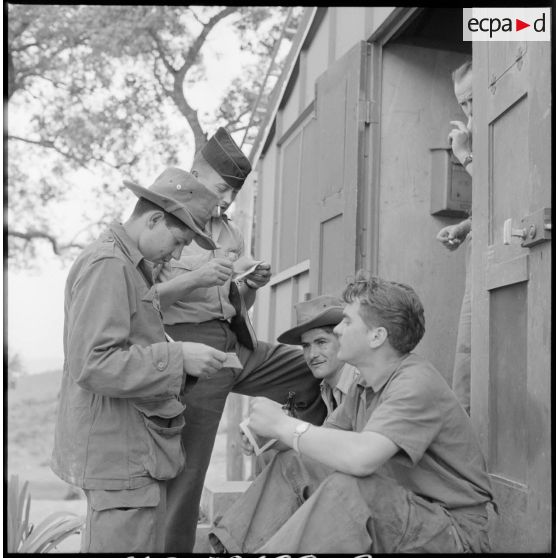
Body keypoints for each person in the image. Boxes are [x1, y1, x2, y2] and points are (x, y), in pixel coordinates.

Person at [209, 271, 494, 554]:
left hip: (454, 531)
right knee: (295, 463)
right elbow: (323, 445)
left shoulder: (415, 383)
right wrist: (272, 434)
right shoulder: (364, 385)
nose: (337, 330)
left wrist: (284, 425)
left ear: (377, 336)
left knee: (350, 488)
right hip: (406, 509)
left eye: (346, 321)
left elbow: (361, 459)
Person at [155, 127, 327, 552]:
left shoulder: (229, 230)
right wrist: (196, 277)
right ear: (196, 173)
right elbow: (143, 299)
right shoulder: (161, 218)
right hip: (189, 347)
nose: (227, 199)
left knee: (310, 366)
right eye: (220, 188)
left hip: (236, 341)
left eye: (233, 192)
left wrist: (252, 284)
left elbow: (236, 303)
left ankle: (298, 455)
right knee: (188, 469)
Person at [50, 167, 229, 553]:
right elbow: (94, 364)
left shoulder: (131, 266)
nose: (178, 254)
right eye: (178, 241)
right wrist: (178, 356)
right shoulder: (110, 266)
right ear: (153, 219)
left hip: (131, 450)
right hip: (119, 457)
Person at [244, 294, 360, 472]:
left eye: (321, 342)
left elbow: (348, 449)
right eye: (306, 346)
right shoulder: (325, 387)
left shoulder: (358, 382)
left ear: (342, 339)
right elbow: (325, 436)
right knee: (268, 453)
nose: (312, 354)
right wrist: (268, 436)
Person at [435, 59, 473, 414]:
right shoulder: (477, 134)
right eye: (464, 103)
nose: (470, 109)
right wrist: (462, 228)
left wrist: (463, 154)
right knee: (467, 355)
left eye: (475, 99)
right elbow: (492, 204)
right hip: (480, 267)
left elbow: (505, 189)